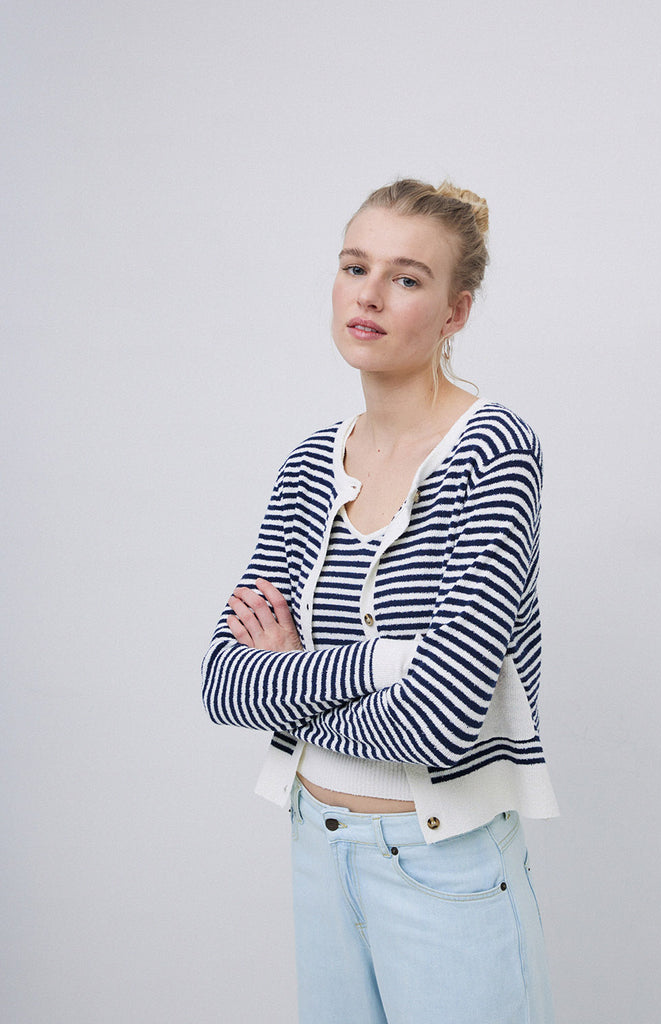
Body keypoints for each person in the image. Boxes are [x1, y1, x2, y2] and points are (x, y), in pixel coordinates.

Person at [202, 178, 559, 1023]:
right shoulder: (308, 463)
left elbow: (436, 726)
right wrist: (385, 667)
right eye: (354, 265)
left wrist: (293, 674)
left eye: (405, 277)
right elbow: (222, 682)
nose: (368, 293)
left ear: (454, 312)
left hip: (443, 866)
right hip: (317, 850)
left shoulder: (495, 451)